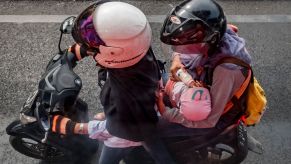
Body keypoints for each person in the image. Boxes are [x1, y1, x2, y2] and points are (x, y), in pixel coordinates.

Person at [51, 1, 175, 164]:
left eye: (93, 45)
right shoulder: (138, 47)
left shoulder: (125, 96)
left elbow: (115, 129)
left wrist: (74, 127)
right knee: (157, 151)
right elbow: (115, 40)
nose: (90, 47)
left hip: (128, 133)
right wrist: (83, 49)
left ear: (113, 52)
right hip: (142, 111)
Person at [156, 0, 252, 137]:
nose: (180, 51)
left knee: (151, 129)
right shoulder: (215, 34)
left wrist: (166, 113)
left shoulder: (226, 71)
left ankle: (165, 160)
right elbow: (183, 45)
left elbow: (209, 120)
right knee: (163, 80)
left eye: (184, 47)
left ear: (208, 40)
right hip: (198, 85)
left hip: (212, 119)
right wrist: (177, 59)